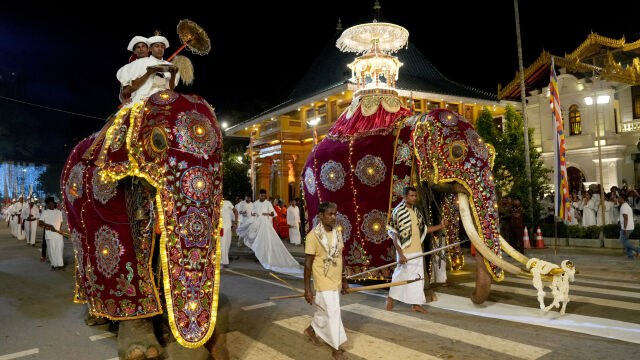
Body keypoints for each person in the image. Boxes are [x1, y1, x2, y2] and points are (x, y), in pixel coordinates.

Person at [385, 186, 444, 313]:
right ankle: (390, 298)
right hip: (405, 251)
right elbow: (394, 236)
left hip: (418, 251)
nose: (414, 198)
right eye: (412, 196)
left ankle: (416, 304)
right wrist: (400, 255)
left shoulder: (416, 211)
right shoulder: (398, 212)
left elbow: (424, 229)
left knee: (418, 278)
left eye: (415, 196)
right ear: (405, 197)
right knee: (400, 275)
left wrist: (441, 226)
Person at [303, 202, 349, 360]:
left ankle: (311, 330)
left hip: (335, 279)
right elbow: (308, 264)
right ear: (320, 216)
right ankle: (336, 349)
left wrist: (344, 280)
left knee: (324, 311)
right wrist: (307, 289)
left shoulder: (337, 233)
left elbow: (340, 258)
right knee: (333, 313)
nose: (333, 217)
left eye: (335, 214)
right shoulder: (313, 236)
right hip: (322, 280)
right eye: (330, 214)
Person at [241, 189, 302, 273]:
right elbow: (252, 212)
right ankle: (259, 255)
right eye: (262, 196)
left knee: (266, 240)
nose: (263, 197)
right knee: (258, 239)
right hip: (257, 223)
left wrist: (267, 214)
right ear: (259, 195)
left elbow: (273, 214)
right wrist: (254, 214)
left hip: (265, 224)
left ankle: (265, 256)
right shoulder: (255, 203)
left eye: (264, 196)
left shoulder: (268, 203)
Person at [117, 34, 179, 105]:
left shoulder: (169, 65)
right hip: (141, 100)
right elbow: (125, 90)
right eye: (157, 46)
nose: (160, 49)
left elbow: (170, 89)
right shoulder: (134, 64)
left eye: (162, 47)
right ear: (150, 48)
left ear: (147, 49)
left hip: (163, 98)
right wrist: (124, 100)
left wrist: (173, 74)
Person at [39, 197, 64, 270]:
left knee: (59, 250)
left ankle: (60, 264)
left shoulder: (59, 212)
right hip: (49, 235)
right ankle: (54, 265)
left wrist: (60, 230)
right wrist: (50, 226)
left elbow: (61, 223)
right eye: (49, 204)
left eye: (52, 203)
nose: (51, 205)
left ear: (54, 204)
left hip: (58, 235)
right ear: (47, 205)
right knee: (51, 251)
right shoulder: (45, 212)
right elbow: (40, 223)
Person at [618, 192, 639, 260]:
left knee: (623, 241)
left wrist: (625, 228)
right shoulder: (626, 205)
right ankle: (630, 256)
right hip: (629, 226)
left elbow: (626, 218)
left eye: (619, 198)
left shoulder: (624, 207)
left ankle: (638, 250)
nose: (618, 199)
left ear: (622, 198)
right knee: (625, 241)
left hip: (627, 227)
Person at [220, 199, 238, 269]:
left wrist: (235, 223)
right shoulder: (215, 204)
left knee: (227, 244)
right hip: (221, 228)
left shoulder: (227, 203)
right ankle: (223, 263)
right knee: (223, 244)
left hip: (228, 228)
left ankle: (223, 261)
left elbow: (235, 212)